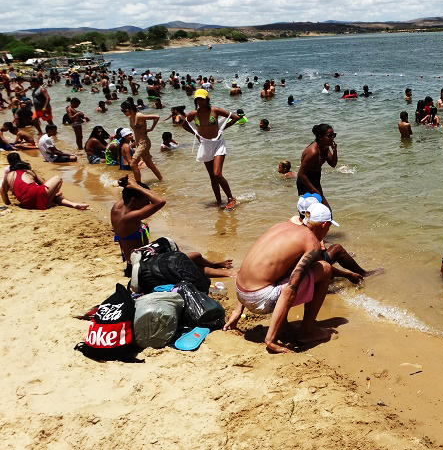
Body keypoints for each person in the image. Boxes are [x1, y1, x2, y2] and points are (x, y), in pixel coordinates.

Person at [222, 204, 337, 353]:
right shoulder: (312, 243)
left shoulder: (282, 226)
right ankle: (306, 331)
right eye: (328, 228)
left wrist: (239, 309)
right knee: (325, 269)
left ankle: (283, 325)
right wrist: (270, 339)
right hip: (259, 299)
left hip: (241, 291)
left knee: (286, 266)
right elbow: (290, 290)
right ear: (324, 225)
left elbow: (255, 268)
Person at [111, 176, 235, 276]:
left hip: (138, 259)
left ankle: (216, 266)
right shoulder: (129, 217)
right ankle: (225, 271)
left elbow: (130, 194)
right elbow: (160, 201)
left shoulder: (117, 208)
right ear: (134, 199)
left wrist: (130, 185)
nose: (148, 203)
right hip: (143, 265)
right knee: (194, 258)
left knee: (186, 257)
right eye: (145, 200)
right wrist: (136, 186)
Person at [181, 89, 239, 209]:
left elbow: (235, 117)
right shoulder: (193, 114)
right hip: (205, 144)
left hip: (218, 143)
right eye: (197, 99)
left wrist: (222, 128)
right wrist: (196, 134)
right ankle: (218, 202)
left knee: (217, 174)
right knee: (212, 177)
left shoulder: (215, 110)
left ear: (207, 99)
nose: (200, 101)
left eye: (202, 99)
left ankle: (231, 198)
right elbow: (184, 125)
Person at [2, 153, 88, 210]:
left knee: (52, 195)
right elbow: (43, 184)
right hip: (35, 196)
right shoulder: (29, 172)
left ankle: (73, 204)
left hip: (26, 203)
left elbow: (3, 192)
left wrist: (8, 204)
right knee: (58, 178)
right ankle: (52, 203)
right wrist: (57, 191)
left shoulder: (8, 176)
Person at [297, 123, 337, 210]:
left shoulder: (325, 148)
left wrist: (335, 150)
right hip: (306, 181)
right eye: (330, 136)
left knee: (322, 211)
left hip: (315, 179)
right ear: (320, 137)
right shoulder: (313, 152)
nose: (332, 138)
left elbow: (333, 164)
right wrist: (313, 189)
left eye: (334, 135)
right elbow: (301, 174)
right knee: (319, 211)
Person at [120, 100, 163, 182]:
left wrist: (151, 128)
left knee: (133, 164)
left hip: (144, 143)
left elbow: (156, 117)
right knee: (149, 164)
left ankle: (139, 184)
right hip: (139, 144)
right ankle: (161, 179)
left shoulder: (139, 116)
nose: (124, 112)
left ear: (130, 109)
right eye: (122, 110)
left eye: (124, 110)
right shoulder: (130, 117)